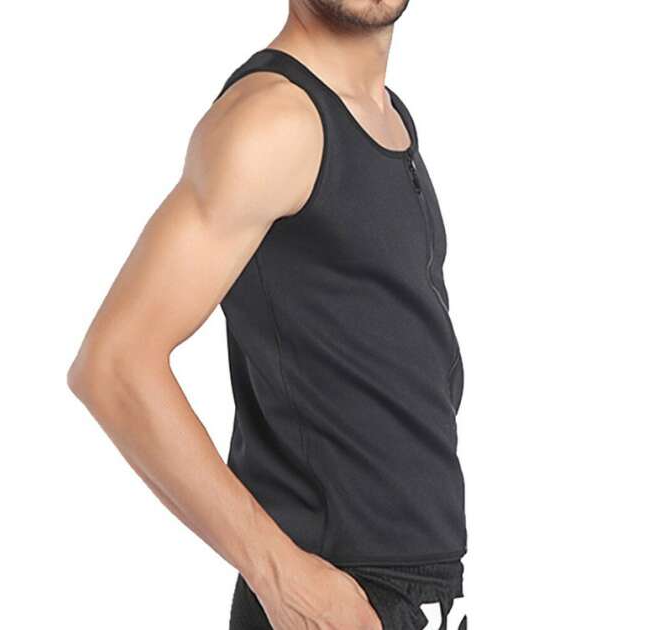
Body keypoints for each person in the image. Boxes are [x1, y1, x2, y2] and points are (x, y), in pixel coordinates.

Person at [68, 1, 467, 627]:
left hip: (411, 588)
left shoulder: (386, 115)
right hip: (336, 589)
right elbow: (114, 365)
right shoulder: (275, 120)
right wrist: (283, 577)